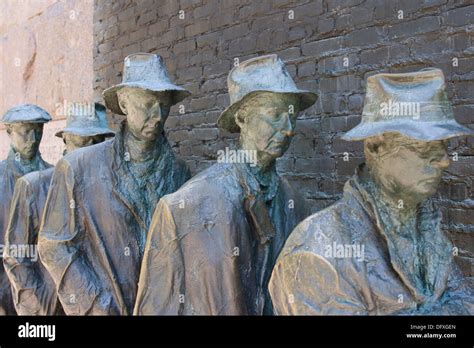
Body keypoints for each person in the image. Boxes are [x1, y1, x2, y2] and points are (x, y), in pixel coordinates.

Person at [269, 68, 474, 315]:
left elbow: (465, 300)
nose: (444, 161)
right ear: (375, 146)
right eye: (424, 147)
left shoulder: (426, 229)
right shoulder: (318, 250)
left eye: (443, 146)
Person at [134, 54, 317, 315]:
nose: (288, 128)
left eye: (292, 116)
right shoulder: (185, 208)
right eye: (275, 114)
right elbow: (157, 307)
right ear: (241, 118)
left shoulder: (297, 207)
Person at [38, 53, 191, 315]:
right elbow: (54, 245)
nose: (157, 115)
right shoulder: (77, 167)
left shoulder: (180, 172)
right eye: (147, 103)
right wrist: (96, 305)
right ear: (123, 102)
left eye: (163, 105)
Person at [4, 103, 114, 315]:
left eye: (97, 142)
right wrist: (36, 309)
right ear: (66, 141)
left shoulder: (106, 189)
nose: (89, 151)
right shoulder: (35, 186)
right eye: (82, 143)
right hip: (50, 306)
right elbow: (17, 257)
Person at [0, 104, 52, 315]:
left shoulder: (52, 175)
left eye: (37, 131)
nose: (32, 139)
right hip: (5, 287)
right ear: (9, 132)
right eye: (24, 132)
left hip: (46, 290)